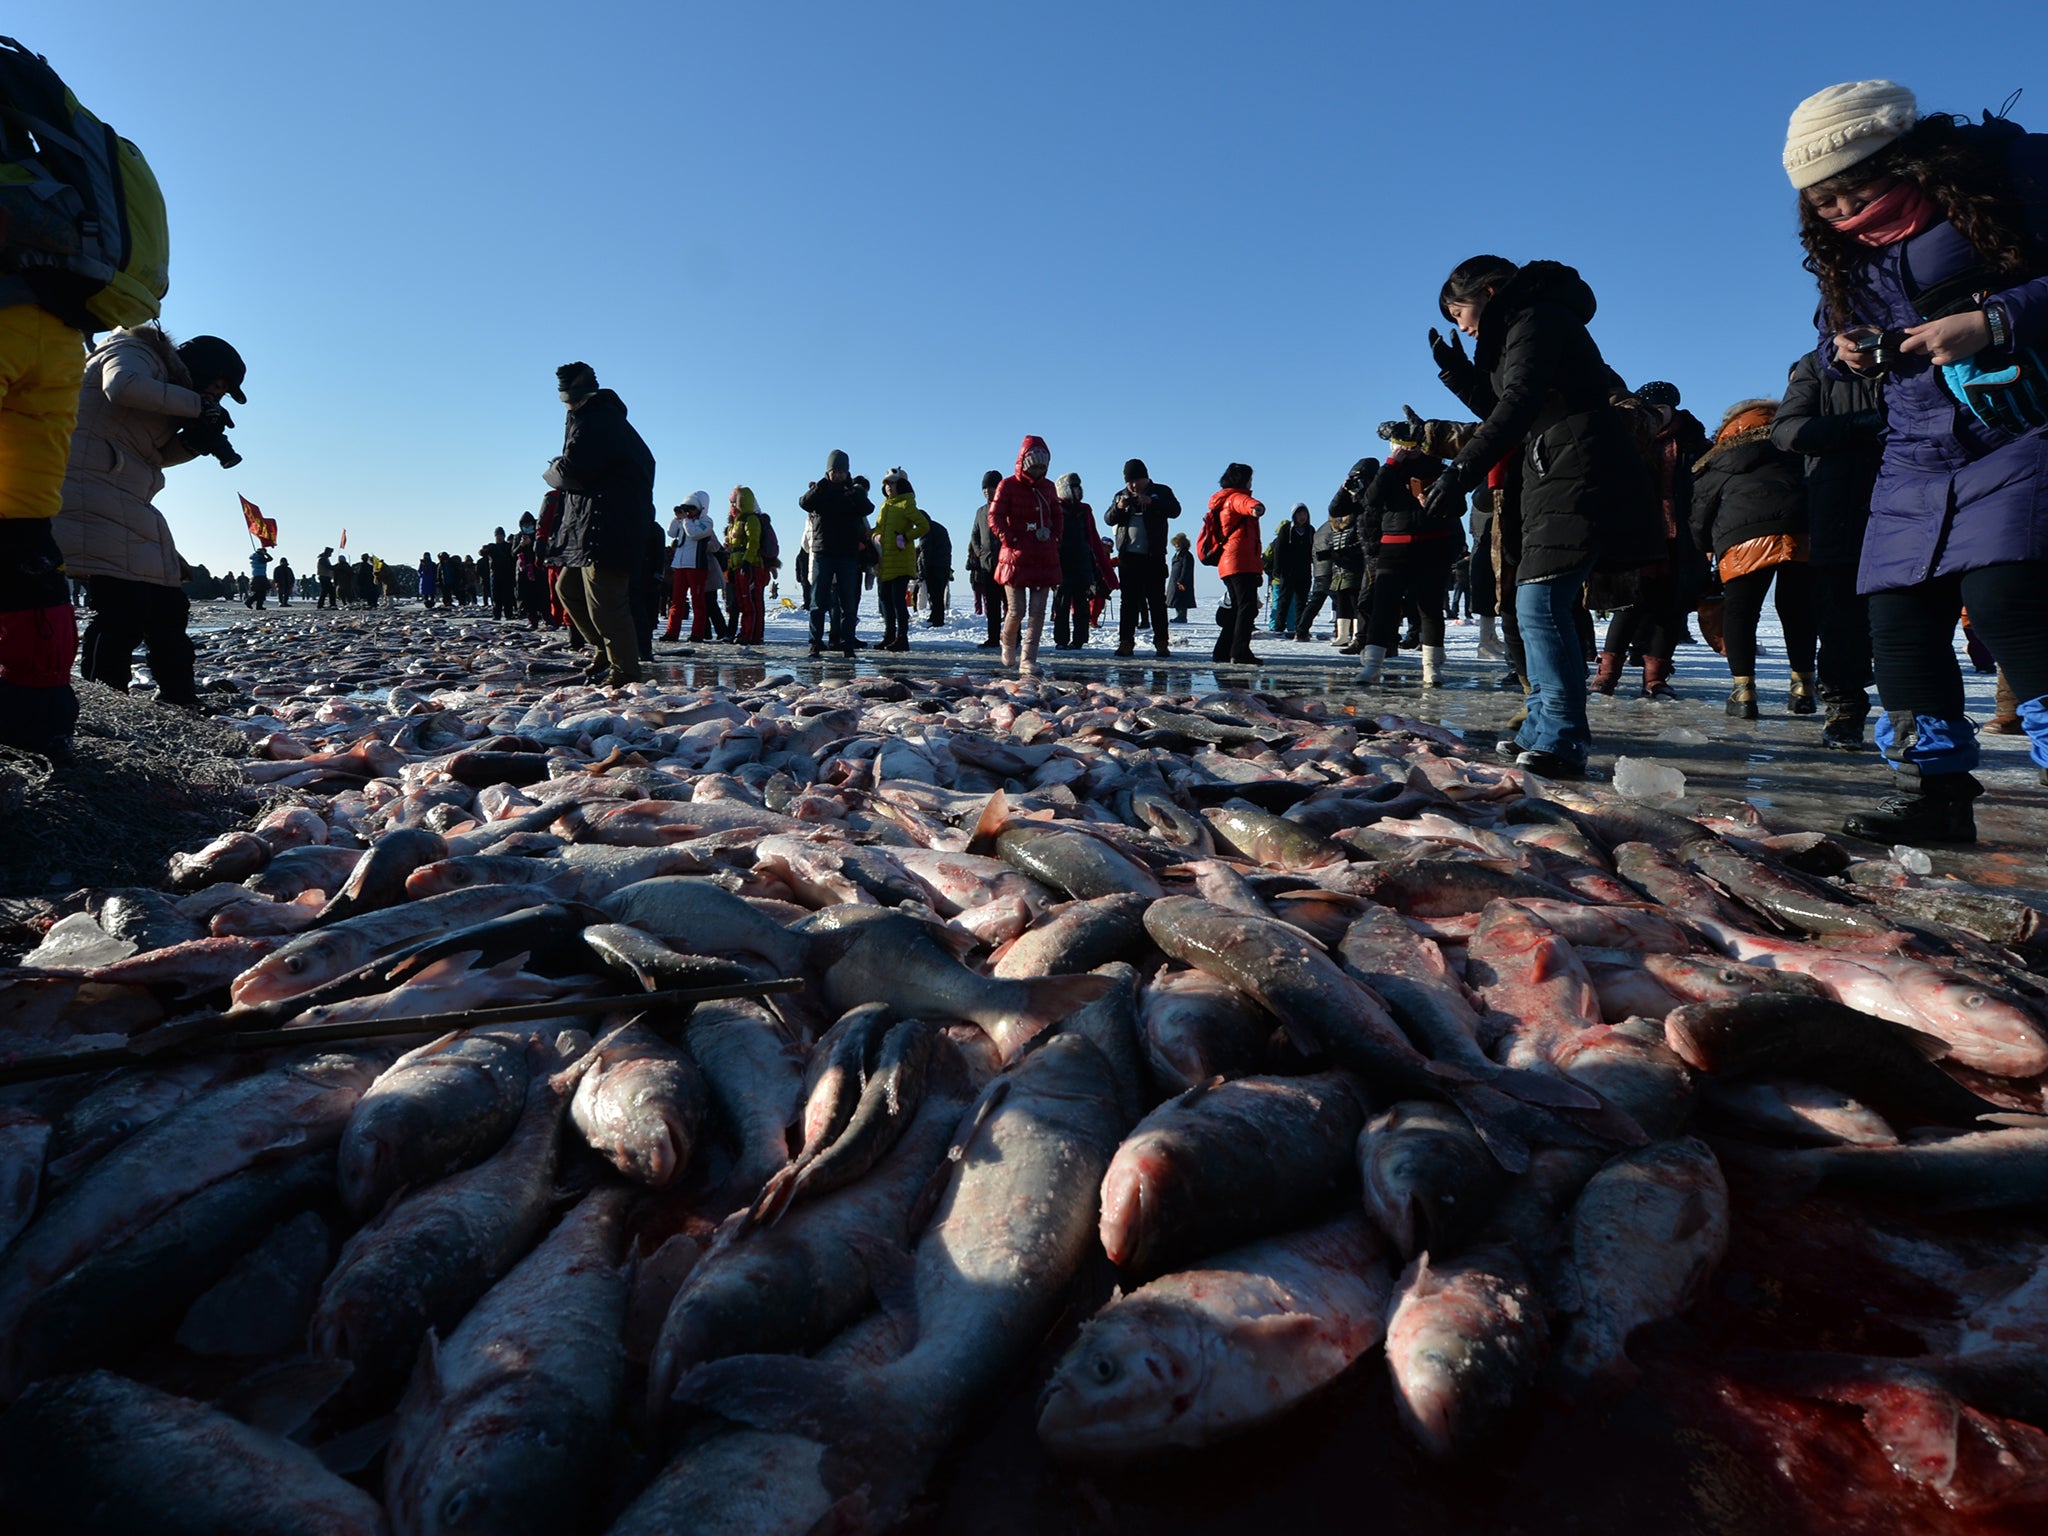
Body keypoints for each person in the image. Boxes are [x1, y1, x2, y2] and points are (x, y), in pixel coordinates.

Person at [1783, 81, 2048, 840]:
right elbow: (1830, 348)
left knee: (2009, 605)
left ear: (1901, 158)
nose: (1839, 212)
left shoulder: (2007, 183)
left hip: (2020, 426)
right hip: (1914, 451)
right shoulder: (1845, 254)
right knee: (1896, 623)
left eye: (1852, 189)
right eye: (1822, 201)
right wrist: (1844, 355)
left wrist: (1993, 321)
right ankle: (1937, 798)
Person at [1427, 257, 1660, 777]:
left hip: (1578, 466)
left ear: (1489, 291)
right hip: (1552, 468)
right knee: (1533, 603)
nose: (1461, 325)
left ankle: (1562, 735)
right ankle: (1539, 725)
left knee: (1542, 602)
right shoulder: (1522, 326)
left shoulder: (1537, 316)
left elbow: (1520, 401)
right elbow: (1502, 403)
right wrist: (1456, 371)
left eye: (1460, 311)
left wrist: (1460, 472)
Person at [56, 329, 247, 716]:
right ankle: (107, 700)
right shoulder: (135, 351)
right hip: (84, 487)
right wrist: (197, 406)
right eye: (219, 385)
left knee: (169, 603)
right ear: (202, 367)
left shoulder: (170, 393)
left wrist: (194, 443)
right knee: (122, 606)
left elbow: (153, 456)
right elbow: (122, 386)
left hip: (124, 496)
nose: (217, 396)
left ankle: (179, 696)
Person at [1773, 354, 1883, 748]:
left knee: (1911, 617)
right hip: (1840, 507)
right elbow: (1786, 431)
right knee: (1841, 618)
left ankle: (1919, 717)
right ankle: (1844, 709)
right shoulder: (1819, 366)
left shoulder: (1921, 351)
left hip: (1915, 498)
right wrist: (1857, 426)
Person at [1690, 398, 1816, 719]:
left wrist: (1704, 545)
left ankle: (1743, 692)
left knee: (1741, 613)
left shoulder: (1723, 456)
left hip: (1742, 537)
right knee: (1798, 611)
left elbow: (1701, 508)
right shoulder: (1797, 446)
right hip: (1801, 532)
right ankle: (1803, 687)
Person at [1594, 381, 1710, 699]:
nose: (1655, 415)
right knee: (1628, 604)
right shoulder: (1625, 439)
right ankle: (1606, 675)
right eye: (1649, 409)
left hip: (1680, 537)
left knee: (1670, 608)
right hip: (1635, 534)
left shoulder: (1694, 442)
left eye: (1660, 409)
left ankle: (1655, 678)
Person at [544, 361, 656, 686]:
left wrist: (552, 471)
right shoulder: (589, 418)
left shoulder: (598, 421)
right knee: (568, 590)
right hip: (589, 528)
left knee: (607, 603)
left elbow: (573, 471)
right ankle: (604, 652)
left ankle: (625, 673)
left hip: (609, 528)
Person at [1355, 448, 1464, 686]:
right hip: (1393, 545)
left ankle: (1431, 668)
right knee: (1383, 607)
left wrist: (1437, 502)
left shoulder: (1440, 468)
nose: (1408, 447)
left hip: (1432, 544)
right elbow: (1371, 499)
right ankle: (1372, 666)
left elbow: (1459, 507)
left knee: (1430, 608)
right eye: (1401, 442)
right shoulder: (1391, 469)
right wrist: (1392, 463)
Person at [988, 436, 1063, 671]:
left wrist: (1055, 536)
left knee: (1038, 612)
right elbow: (995, 516)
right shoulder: (1008, 485)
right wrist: (1010, 537)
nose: (1040, 471)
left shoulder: (1049, 487)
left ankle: (1028, 659)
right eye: (1036, 465)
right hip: (1016, 557)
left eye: (1044, 466)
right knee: (1017, 609)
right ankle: (1008, 641)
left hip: (1043, 555)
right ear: (1025, 462)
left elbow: (1057, 514)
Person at [1102, 459, 1182, 657]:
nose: (1133, 486)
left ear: (1145, 478)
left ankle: (1161, 642)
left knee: (1156, 601)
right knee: (1128, 602)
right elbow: (1108, 519)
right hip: (1128, 558)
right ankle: (1126, 642)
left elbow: (1175, 511)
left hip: (1153, 556)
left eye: (1136, 481)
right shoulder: (1121, 495)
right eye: (1129, 482)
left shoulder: (1161, 491)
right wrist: (1119, 507)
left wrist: (1152, 502)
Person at [798, 451, 874, 658]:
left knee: (848, 602)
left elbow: (868, 508)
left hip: (847, 554)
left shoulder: (852, 492)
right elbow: (803, 503)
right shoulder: (820, 491)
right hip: (824, 552)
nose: (838, 475)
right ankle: (815, 643)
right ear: (828, 472)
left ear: (847, 472)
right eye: (834, 471)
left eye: (842, 471)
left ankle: (846, 644)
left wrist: (855, 493)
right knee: (817, 601)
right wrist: (818, 488)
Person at [1294, 460, 1372, 650]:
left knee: (1349, 602)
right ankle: (1345, 634)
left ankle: (1351, 634)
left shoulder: (1326, 528)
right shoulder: (1332, 527)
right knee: (1344, 602)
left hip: (1344, 567)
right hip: (1337, 568)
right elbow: (1335, 509)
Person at [1208, 463, 1265, 666]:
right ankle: (1240, 651)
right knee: (1247, 607)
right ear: (1242, 480)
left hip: (1229, 562)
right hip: (1240, 560)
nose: (1251, 483)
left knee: (1237, 609)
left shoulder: (1223, 499)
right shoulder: (1235, 497)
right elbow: (1245, 503)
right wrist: (1257, 507)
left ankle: (1222, 650)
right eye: (1249, 479)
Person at [872, 468, 929, 652]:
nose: (888, 487)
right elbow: (878, 528)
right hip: (886, 561)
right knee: (886, 600)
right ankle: (889, 636)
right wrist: (876, 536)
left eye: (892, 483)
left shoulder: (907, 503)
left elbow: (923, 525)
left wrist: (905, 537)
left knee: (898, 600)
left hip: (901, 562)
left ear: (901, 484)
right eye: (886, 484)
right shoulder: (885, 506)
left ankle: (902, 638)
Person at [1052, 472, 1104, 650]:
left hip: (1082, 565)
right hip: (1062, 566)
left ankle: (1080, 639)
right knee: (1061, 606)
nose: (1079, 490)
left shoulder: (1084, 511)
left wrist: (1095, 569)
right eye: (1075, 487)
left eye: (1079, 487)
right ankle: (1061, 640)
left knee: (1082, 607)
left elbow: (1092, 539)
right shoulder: (1056, 509)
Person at [663, 492, 716, 642]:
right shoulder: (684, 521)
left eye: (692, 508)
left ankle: (697, 634)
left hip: (696, 566)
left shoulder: (707, 521)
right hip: (680, 566)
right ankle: (671, 633)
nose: (688, 512)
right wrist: (676, 518)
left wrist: (685, 520)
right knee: (676, 601)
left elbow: (694, 534)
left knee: (697, 601)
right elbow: (671, 533)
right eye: (686, 508)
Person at [965, 470, 1004, 649]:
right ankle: (993, 637)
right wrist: (979, 550)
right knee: (992, 604)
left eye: (991, 487)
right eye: (985, 488)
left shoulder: (1006, 507)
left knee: (1011, 605)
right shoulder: (981, 511)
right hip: (987, 564)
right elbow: (974, 534)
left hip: (1006, 564)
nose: (988, 491)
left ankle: (1014, 636)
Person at [1268, 503, 1317, 639]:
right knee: (1284, 599)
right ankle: (1279, 627)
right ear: (1294, 515)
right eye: (1299, 514)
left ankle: (1300, 627)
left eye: (1305, 514)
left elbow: (1314, 549)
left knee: (1302, 601)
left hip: (1304, 570)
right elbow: (1279, 550)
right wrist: (1277, 568)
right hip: (1288, 571)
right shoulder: (1286, 530)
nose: (1302, 517)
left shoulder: (1310, 530)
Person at [726, 486, 768, 644]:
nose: (732, 506)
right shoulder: (737, 522)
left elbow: (753, 541)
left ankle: (751, 634)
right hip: (739, 566)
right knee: (744, 602)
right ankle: (745, 632)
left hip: (750, 566)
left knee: (751, 601)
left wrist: (746, 562)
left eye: (734, 502)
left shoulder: (751, 519)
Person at [917, 511, 953, 626]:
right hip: (943, 566)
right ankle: (935, 616)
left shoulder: (926, 529)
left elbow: (926, 551)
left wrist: (923, 570)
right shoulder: (938, 527)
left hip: (934, 567)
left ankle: (937, 619)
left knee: (935, 595)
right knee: (938, 594)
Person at [487, 527, 516, 621]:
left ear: (504, 536)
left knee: (508, 595)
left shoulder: (509, 546)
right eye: (497, 535)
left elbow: (514, 557)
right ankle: (496, 615)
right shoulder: (491, 547)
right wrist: (484, 550)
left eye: (500, 535)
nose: (499, 537)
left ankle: (509, 614)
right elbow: (482, 552)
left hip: (507, 574)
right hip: (495, 574)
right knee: (496, 596)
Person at [1168, 532, 1196, 624]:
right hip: (1175, 580)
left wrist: (1181, 581)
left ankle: (1182, 616)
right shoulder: (1178, 554)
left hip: (1181, 581)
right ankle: (1179, 616)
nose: (1176, 545)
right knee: (1176, 599)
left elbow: (1186, 569)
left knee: (1181, 599)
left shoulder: (1186, 555)